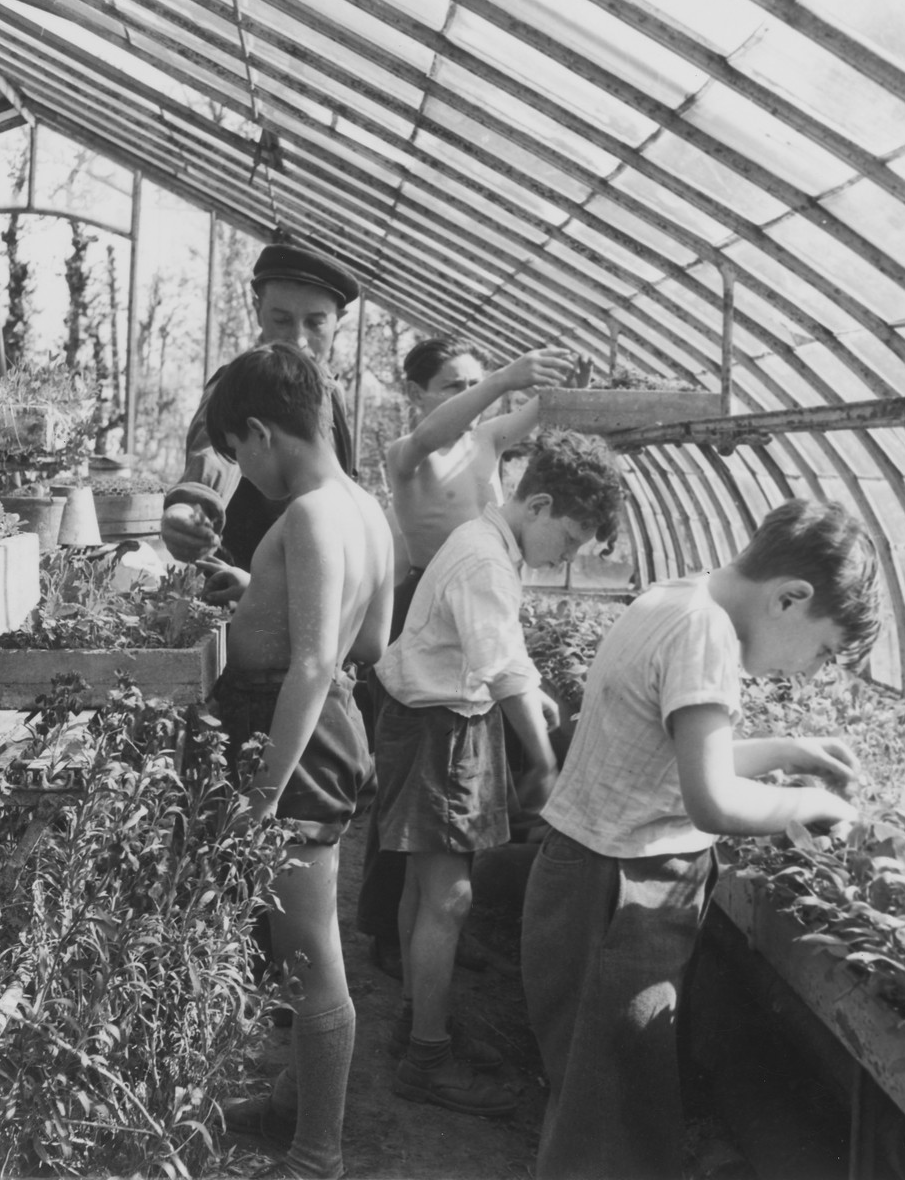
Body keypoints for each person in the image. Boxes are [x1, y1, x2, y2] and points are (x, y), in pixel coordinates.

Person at [521, 497, 883, 1180]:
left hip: (585, 879)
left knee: (591, 1104)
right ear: (790, 598)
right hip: (619, 893)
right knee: (607, 1123)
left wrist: (788, 747)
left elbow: (677, 751)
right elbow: (711, 798)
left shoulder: (674, 598)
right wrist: (806, 803)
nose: (808, 670)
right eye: (822, 648)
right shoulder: (707, 635)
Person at [372, 429, 624, 1117]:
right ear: (537, 504)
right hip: (438, 733)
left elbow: (496, 648)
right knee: (448, 898)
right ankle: (427, 1057)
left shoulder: (486, 547)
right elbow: (496, 664)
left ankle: (416, 1020)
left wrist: (534, 689)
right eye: (569, 540)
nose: (566, 556)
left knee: (427, 889)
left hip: (436, 720)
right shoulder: (485, 561)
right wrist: (545, 766)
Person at [205, 342, 393, 1179]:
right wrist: (255, 593)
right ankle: (292, 1101)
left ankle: (319, 1152)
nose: (243, 471)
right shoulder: (363, 508)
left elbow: (315, 662)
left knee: (312, 956)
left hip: (296, 746)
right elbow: (371, 640)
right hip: (320, 730)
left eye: (237, 454)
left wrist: (262, 794)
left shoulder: (313, 511)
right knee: (292, 942)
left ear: (259, 433)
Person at [357, 336, 577, 977]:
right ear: (416, 394)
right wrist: (505, 376)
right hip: (422, 613)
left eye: (475, 384)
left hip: (480, 609)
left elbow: (533, 412)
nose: (470, 396)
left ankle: (435, 925)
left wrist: (558, 385)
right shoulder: (409, 455)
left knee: (452, 799)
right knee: (409, 797)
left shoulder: (486, 443)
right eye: (454, 385)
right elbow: (435, 433)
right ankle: (388, 932)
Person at [161, 242, 361, 578]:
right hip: (245, 597)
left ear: (338, 320)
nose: (297, 339)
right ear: (257, 311)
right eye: (281, 320)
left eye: (315, 324)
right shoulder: (240, 388)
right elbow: (214, 457)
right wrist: (191, 508)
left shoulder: (332, 392)